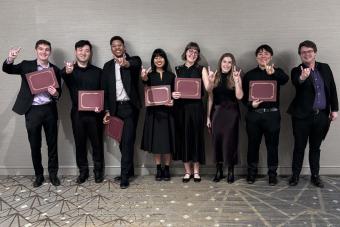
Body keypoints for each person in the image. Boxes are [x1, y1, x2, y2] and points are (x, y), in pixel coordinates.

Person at [2, 40, 61, 187]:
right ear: (36, 50)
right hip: (32, 110)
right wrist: (10, 58)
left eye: (47, 49)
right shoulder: (26, 65)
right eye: (41, 49)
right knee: (35, 145)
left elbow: (59, 93)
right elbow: (7, 69)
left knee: (52, 144)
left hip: (49, 109)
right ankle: (39, 176)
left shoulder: (55, 69)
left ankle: (53, 175)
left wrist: (55, 93)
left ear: (50, 52)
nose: (44, 52)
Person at [288, 40, 338, 188]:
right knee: (299, 147)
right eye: (303, 52)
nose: (306, 54)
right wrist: (303, 77)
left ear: (315, 52)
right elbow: (297, 82)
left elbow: (332, 88)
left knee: (316, 148)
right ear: (300, 55)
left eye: (309, 51)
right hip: (301, 117)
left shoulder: (325, 68)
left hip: (321, 116)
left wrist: (334, 109)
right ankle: (295, 176)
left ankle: (315, 176)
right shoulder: (297, 70)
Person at [242, 44, 289, 186]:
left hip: (272, 116)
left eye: (266, 54)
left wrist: (273, 72)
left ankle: (272, 174)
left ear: (271, 57)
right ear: (256, 57)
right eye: (260, 54)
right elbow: (243, 98)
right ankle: (252, 173)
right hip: (254, 115)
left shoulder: (276, 71)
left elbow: (285, 80)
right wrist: (251, 105)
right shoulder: (249, 75)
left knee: (272, 146)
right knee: (252, 145)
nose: (263, 56)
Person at [61, 40, 104, 184]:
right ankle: (83, 172)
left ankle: (98, 172)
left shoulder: (98, 71)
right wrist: (67, 71)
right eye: (80, 50)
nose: (83, 53)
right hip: (77, 114)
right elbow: (63, 73)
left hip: (95, 114)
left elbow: (103, 93)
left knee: (97, 144)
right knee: (79, 144)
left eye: (86, 50)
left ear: (90, 53)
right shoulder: (69, 70)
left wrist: (101, 106)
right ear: (75, 52)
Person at [102, 36, 142, 189]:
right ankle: (129, 170)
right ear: (111, 48)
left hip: (130, 108)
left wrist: (125, 64)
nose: (117, 48)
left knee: (127, 141)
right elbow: (105, 90)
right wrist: (106, 111)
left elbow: (134, 64)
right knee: (121, 142)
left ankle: (125, 176)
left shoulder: (134, 61)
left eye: (120, 45)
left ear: (124, 47)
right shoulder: (107, 67)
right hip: (115, 109)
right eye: (114, 46)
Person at [173, 42, 214, 183]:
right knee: (184, 138)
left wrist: (211, 81)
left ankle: (196, 171)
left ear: (198, 55)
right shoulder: (177, 69)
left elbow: (208, 89)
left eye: (196, 52)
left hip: (196, 108)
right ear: (185, 53)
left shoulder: (201, 69)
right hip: (181, 108)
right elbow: (173, 90)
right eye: (190, 51)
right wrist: (174, 95)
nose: (193, 54)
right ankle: (187, 171)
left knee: (196, 137)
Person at [207, 53, 243, 183]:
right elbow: (210, 97)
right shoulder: (215, 76)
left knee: (230, 143)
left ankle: (231, 171)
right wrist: (208, 117)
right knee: (217, 142)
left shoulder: (236, 76)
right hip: (217, 112)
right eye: (224, 61)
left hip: (232, 113)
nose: (227, 64)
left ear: (232, 64)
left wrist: (237, 81)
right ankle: (219, 170)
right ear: (220, 63)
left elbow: (239, 97)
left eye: (229, 62)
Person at [140, 48, 176, 181]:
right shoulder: (149, 76)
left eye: (161, 57)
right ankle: (158, 168)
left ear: (165, 60)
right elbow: (144, 82)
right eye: (156, 57)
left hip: (168, 113)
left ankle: (166, 169)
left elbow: (175, 94)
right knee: (156, 143)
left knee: (167, 143)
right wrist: (143, 77)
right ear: (153, 60)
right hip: (153, 114)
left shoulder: (171, 76)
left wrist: (173, 101)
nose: (158, 60)